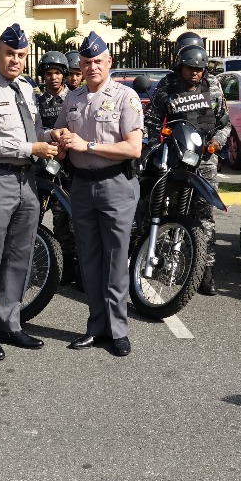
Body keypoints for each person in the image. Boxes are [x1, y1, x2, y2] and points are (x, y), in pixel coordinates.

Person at [0, 24, 59, 362]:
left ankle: (10, 321)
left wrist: (51, 134)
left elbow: (31, 130)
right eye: (10, 54)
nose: (16, 60)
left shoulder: (26, 88)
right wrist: (32, 146)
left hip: (27, 180)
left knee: (20, 255)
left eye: (21, 55)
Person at [53, 32, 145, 357]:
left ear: (109, 62)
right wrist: (59, 137)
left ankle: (117, 330)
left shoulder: (125, 97)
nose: (92, 66)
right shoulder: (73, 98)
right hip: (81, 186)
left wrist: (88, 145)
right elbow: (61, 133)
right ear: (79, 65)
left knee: (115, 260)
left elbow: (133, 148)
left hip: (115, 185)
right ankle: (95, 327)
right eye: (86, 61)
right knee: (89, 259)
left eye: (97, 61)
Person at [143, 44, 230, 296]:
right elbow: (151, 121)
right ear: (180, 67)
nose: (195, 73)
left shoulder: (213, 84)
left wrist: (217, 142)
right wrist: (154, 145)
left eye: (200, 69)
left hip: (204, 159)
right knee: (156, 206)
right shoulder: (167, 86)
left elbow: (225, 122)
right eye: (190, 68)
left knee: (204, 216)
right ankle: (151, 255)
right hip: (173, 156)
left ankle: (205, 270)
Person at [35, 50, 77, 282]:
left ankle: (68, 266)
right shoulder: (37, 102)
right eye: (49, 73)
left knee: (65, 219)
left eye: (57, 73)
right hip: (42, 165)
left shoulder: (74, 99)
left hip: (68, 167)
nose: (53, 78)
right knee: (35, 214)